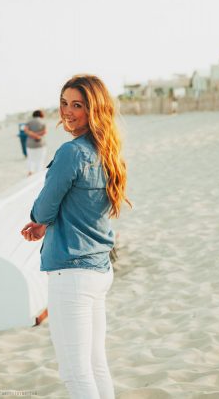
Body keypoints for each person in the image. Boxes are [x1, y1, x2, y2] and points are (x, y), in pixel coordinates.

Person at [21, 75, 131, 399]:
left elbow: (43, 207)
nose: (67, 112)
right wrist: (45, 220)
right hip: (98, 269)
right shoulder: (108, 151)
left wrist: (39, 221)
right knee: (96, 366)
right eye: (65, 103)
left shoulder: (72, 152)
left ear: (94, 109)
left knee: (75, 372)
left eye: (77, 105)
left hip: (72, 273)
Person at [24, 110, 47, 175]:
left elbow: (26, 130)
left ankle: (30, 172)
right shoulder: (43, 121)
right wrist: (37, 135)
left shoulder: (29, 122)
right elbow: (45, 132)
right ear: (41, 115)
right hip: (41, 143)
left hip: (30, 144)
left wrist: (33, 134)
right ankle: (38, 173)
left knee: (30, 158)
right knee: (40, 160)